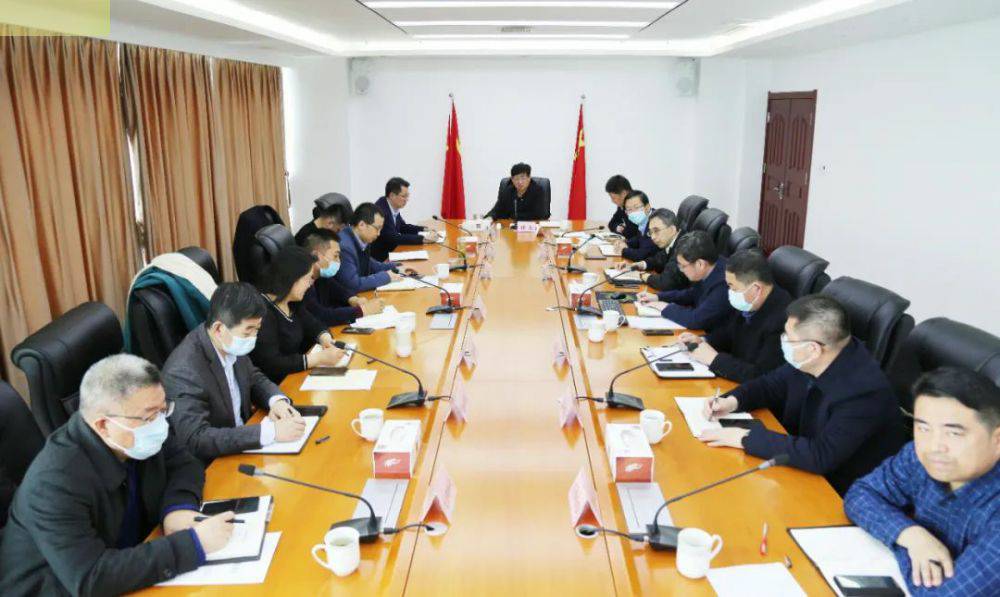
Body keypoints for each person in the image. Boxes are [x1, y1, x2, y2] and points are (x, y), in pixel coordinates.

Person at [0, 355, 235, 595]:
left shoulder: (136, 431)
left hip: (130, 562)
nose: (160, 424)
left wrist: (178, 508)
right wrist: (193, 544)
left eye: (163, 410)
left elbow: (185, 463)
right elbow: (92, 578)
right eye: (150, 416)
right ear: (103, 425)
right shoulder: (53, 483)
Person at [698, 294, 904, 494]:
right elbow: (770, 384)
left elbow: (821, 455)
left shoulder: (864, 393)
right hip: (801, 461)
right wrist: (732, 401)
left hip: (840, 490)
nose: (783, 341)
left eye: (788, 338)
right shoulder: (816, 356)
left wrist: (744, 438)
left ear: (813, 349)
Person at [845, 367, 1000, 596]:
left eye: (954, 433)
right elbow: (861, 493)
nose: (934, 446)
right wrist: (911, 535)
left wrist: (902, 544)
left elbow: (941, 595)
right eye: (923, 428)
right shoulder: (919, 457)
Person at [164, 282, 307, 462]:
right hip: (216, 462)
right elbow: (196, 439)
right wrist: (270, 433)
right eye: (248, 332)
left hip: (244, 445)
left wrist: (276, 401)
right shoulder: (183, 371)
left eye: (257, 330)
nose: (253, 338)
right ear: (219, 329)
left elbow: (253, 377)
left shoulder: (227, 342)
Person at [679, 250, 791, 382]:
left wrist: (714, 359)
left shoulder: (782, 321)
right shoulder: (750, 302)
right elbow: (729, 333)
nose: (730, 292)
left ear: (756, 288)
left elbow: (761, 376)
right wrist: (703, 340)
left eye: (733, 288)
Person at [250, 246, 346, 382]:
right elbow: (272, 363)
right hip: (278, 383)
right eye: (307, 279)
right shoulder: (263, 312)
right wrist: (317, 359)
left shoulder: (292, 302)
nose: (310, 284)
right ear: (292, 278)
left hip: (297, 375)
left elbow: (313, 324)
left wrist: (325, 339)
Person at [637, 231, 730, 331]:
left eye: (683, 266)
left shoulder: (724, 283)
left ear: (700, 264)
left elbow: (696, 320)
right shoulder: (711, 265)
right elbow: (692, 293)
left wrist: (666, 307)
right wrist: (658, 297)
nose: (681, 270)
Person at [300, 229, 385, 326]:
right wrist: (363, 310)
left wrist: (353, 299)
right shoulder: (302, 283)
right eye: (335, 256)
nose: (338, 261)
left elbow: (336, 288)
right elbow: (321, 316)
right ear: (316, 256)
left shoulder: (320, 275)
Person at [335, 202, 404, 295]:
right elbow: (353, 285)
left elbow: (372, 265)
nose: (379, 234)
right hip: (345, 300)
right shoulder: (345, 248)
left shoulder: (361, 238)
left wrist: (398, 267)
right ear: (361, 225)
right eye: (377, 228)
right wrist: (386, 277)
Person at [615, 207, 688, 292]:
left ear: (672, 230)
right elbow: (657, 260)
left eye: (656, 231)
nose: (653, 237)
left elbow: (665, 282)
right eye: (651, 232)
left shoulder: (684, 247)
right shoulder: (673, 241)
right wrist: (635, 265)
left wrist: (640, 275)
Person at [370, 177, 439, 261]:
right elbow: (394, 238)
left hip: (391, 251)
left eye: (407, 196)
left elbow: (402, 227)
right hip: (381, 259)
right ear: (392, 195)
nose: (407, 200)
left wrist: (425, 229)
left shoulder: (389, 204)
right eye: (404, 196)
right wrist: (423, 239)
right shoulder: (382, 212)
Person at [485, 162, 550, 221]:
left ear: (529, 178)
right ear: (512, 180)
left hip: (532, 227)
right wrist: (489, 218)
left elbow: (539, 214)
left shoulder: (538, 191)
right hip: (510, 227)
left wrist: (514, 216)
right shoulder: (507, 191)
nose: (520, 182)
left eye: (523, 178)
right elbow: (497, 210)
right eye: (516, 179)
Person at [612, 190, 658, 262]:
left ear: (647, 207)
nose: (633, 212)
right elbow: (640, 239)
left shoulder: (656, 221)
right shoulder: (644, 220)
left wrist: (623, 250)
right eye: (629, 209)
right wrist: (625, 242)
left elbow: (643, 255)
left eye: (637, 207)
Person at [605, 174, 638, 239]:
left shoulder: (637, 206)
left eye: (613, 198)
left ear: (624, 193)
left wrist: (624, 229)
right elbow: (611, 223)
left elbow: (631, 233)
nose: (612, 201)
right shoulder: (623, 205)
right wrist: (618, 227)